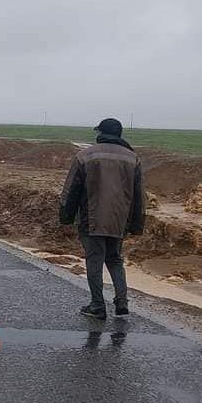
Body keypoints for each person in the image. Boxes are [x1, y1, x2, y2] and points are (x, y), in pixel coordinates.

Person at [59, 118, 145, 320]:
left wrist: (66, 216)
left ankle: (98, 306)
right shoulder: (133, 158)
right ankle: (122, 303)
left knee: (94, 260)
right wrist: (136, 223)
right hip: (119, 219)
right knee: (115, 260)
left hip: (92, 217)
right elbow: (140, 195)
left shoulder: (86, 155)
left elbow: (71, 190)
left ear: (101, 132)